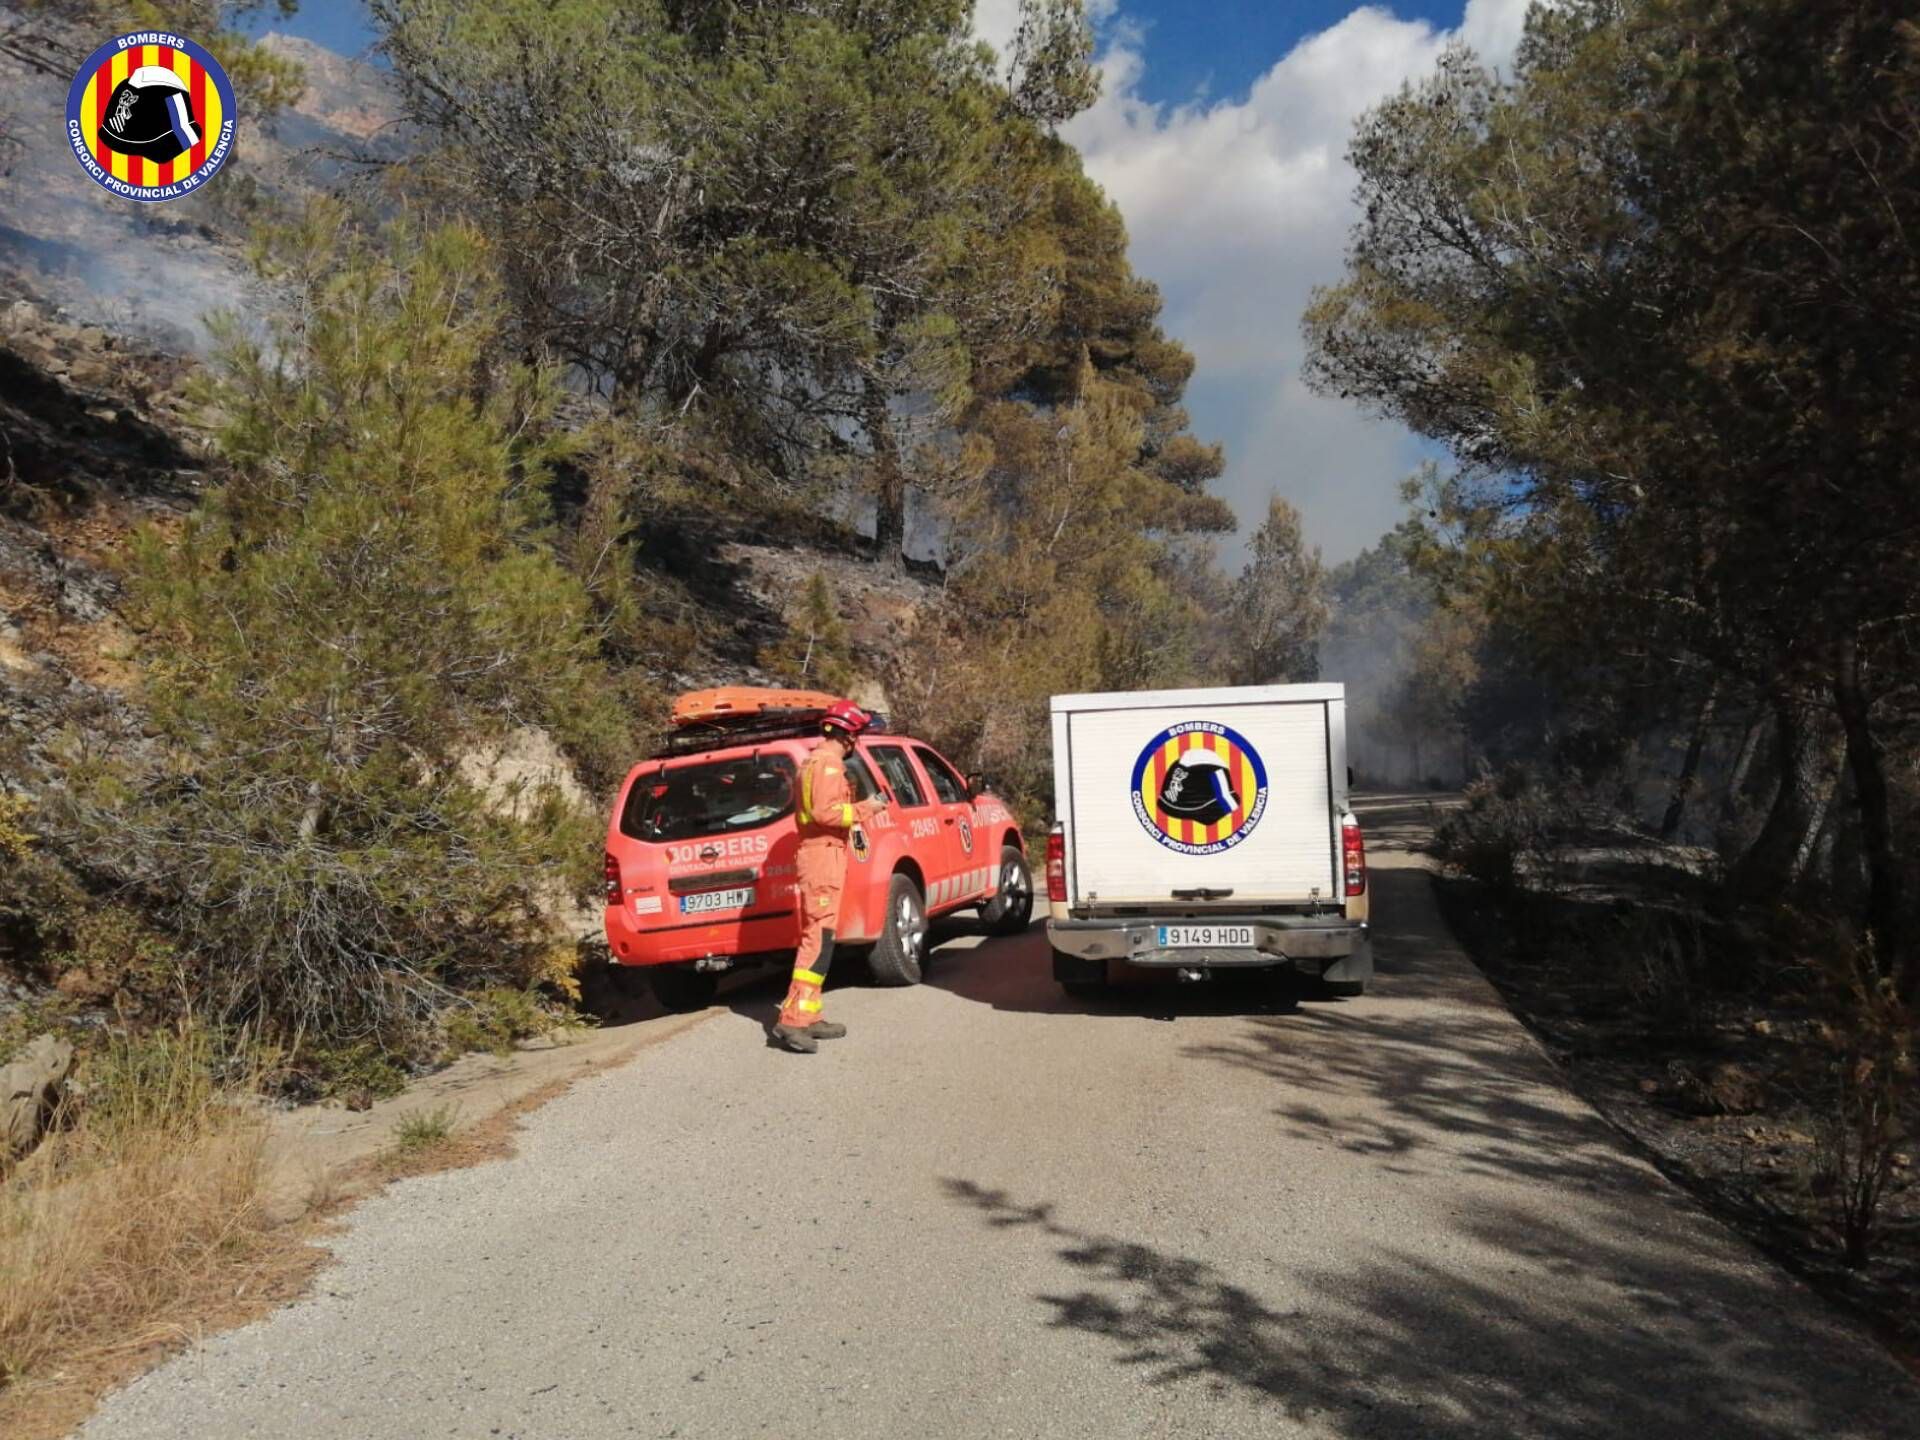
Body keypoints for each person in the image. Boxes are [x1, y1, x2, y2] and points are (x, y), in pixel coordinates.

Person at [770, 701, 887, 1053]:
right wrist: (870, 808)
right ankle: (792, 1019)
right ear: (848, 737)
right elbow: (826, 812)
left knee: (823, 936)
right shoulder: (828, 766)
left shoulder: (816, 762)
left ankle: (810, 1013)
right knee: (817, 938)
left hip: (824, 855)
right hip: (822, 855)